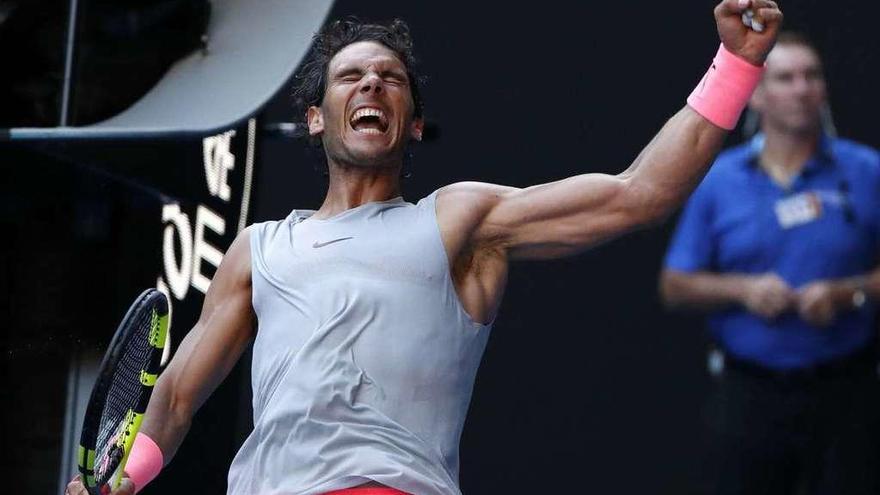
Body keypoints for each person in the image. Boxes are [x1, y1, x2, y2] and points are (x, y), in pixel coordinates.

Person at [67, 1, 784, 493]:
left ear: (410, 124)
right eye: (351, 75)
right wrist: (121, 479)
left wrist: (736, 64)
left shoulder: (460, 221)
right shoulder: (258, 249)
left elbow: (640, 192)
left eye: (391, 78)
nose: (372, 81)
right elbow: (177, 395)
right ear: (317, 118)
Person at [660, 32, 880, 495]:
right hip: (750, 393)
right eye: (785, 78)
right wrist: (742, 290)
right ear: (755, 94)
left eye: (811, 76)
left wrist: (850, 292)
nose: (801, 88)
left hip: (848, 389)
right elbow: (675, 283)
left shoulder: (865, 171)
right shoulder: (718, 179)